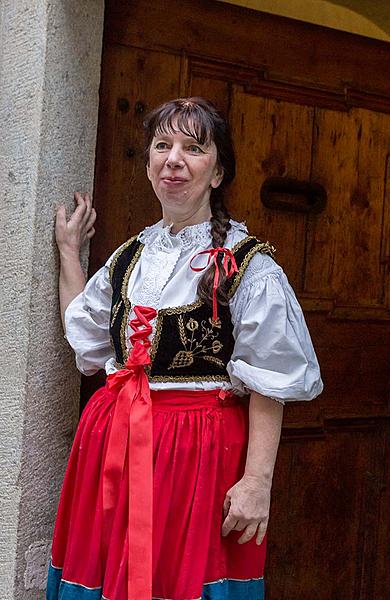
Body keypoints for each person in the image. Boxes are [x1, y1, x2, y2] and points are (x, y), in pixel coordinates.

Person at [46, 97, 323, 600]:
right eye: (162, 145)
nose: (174, 159)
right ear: (150, 166)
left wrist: (258, 481)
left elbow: (271, 382)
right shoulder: (129, 256)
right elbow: (83, 338)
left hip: (195, 453)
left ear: (218, 173)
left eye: (193, 148)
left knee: (180, 578)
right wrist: (69, 252)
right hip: (113, 442)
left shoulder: (249, 265)